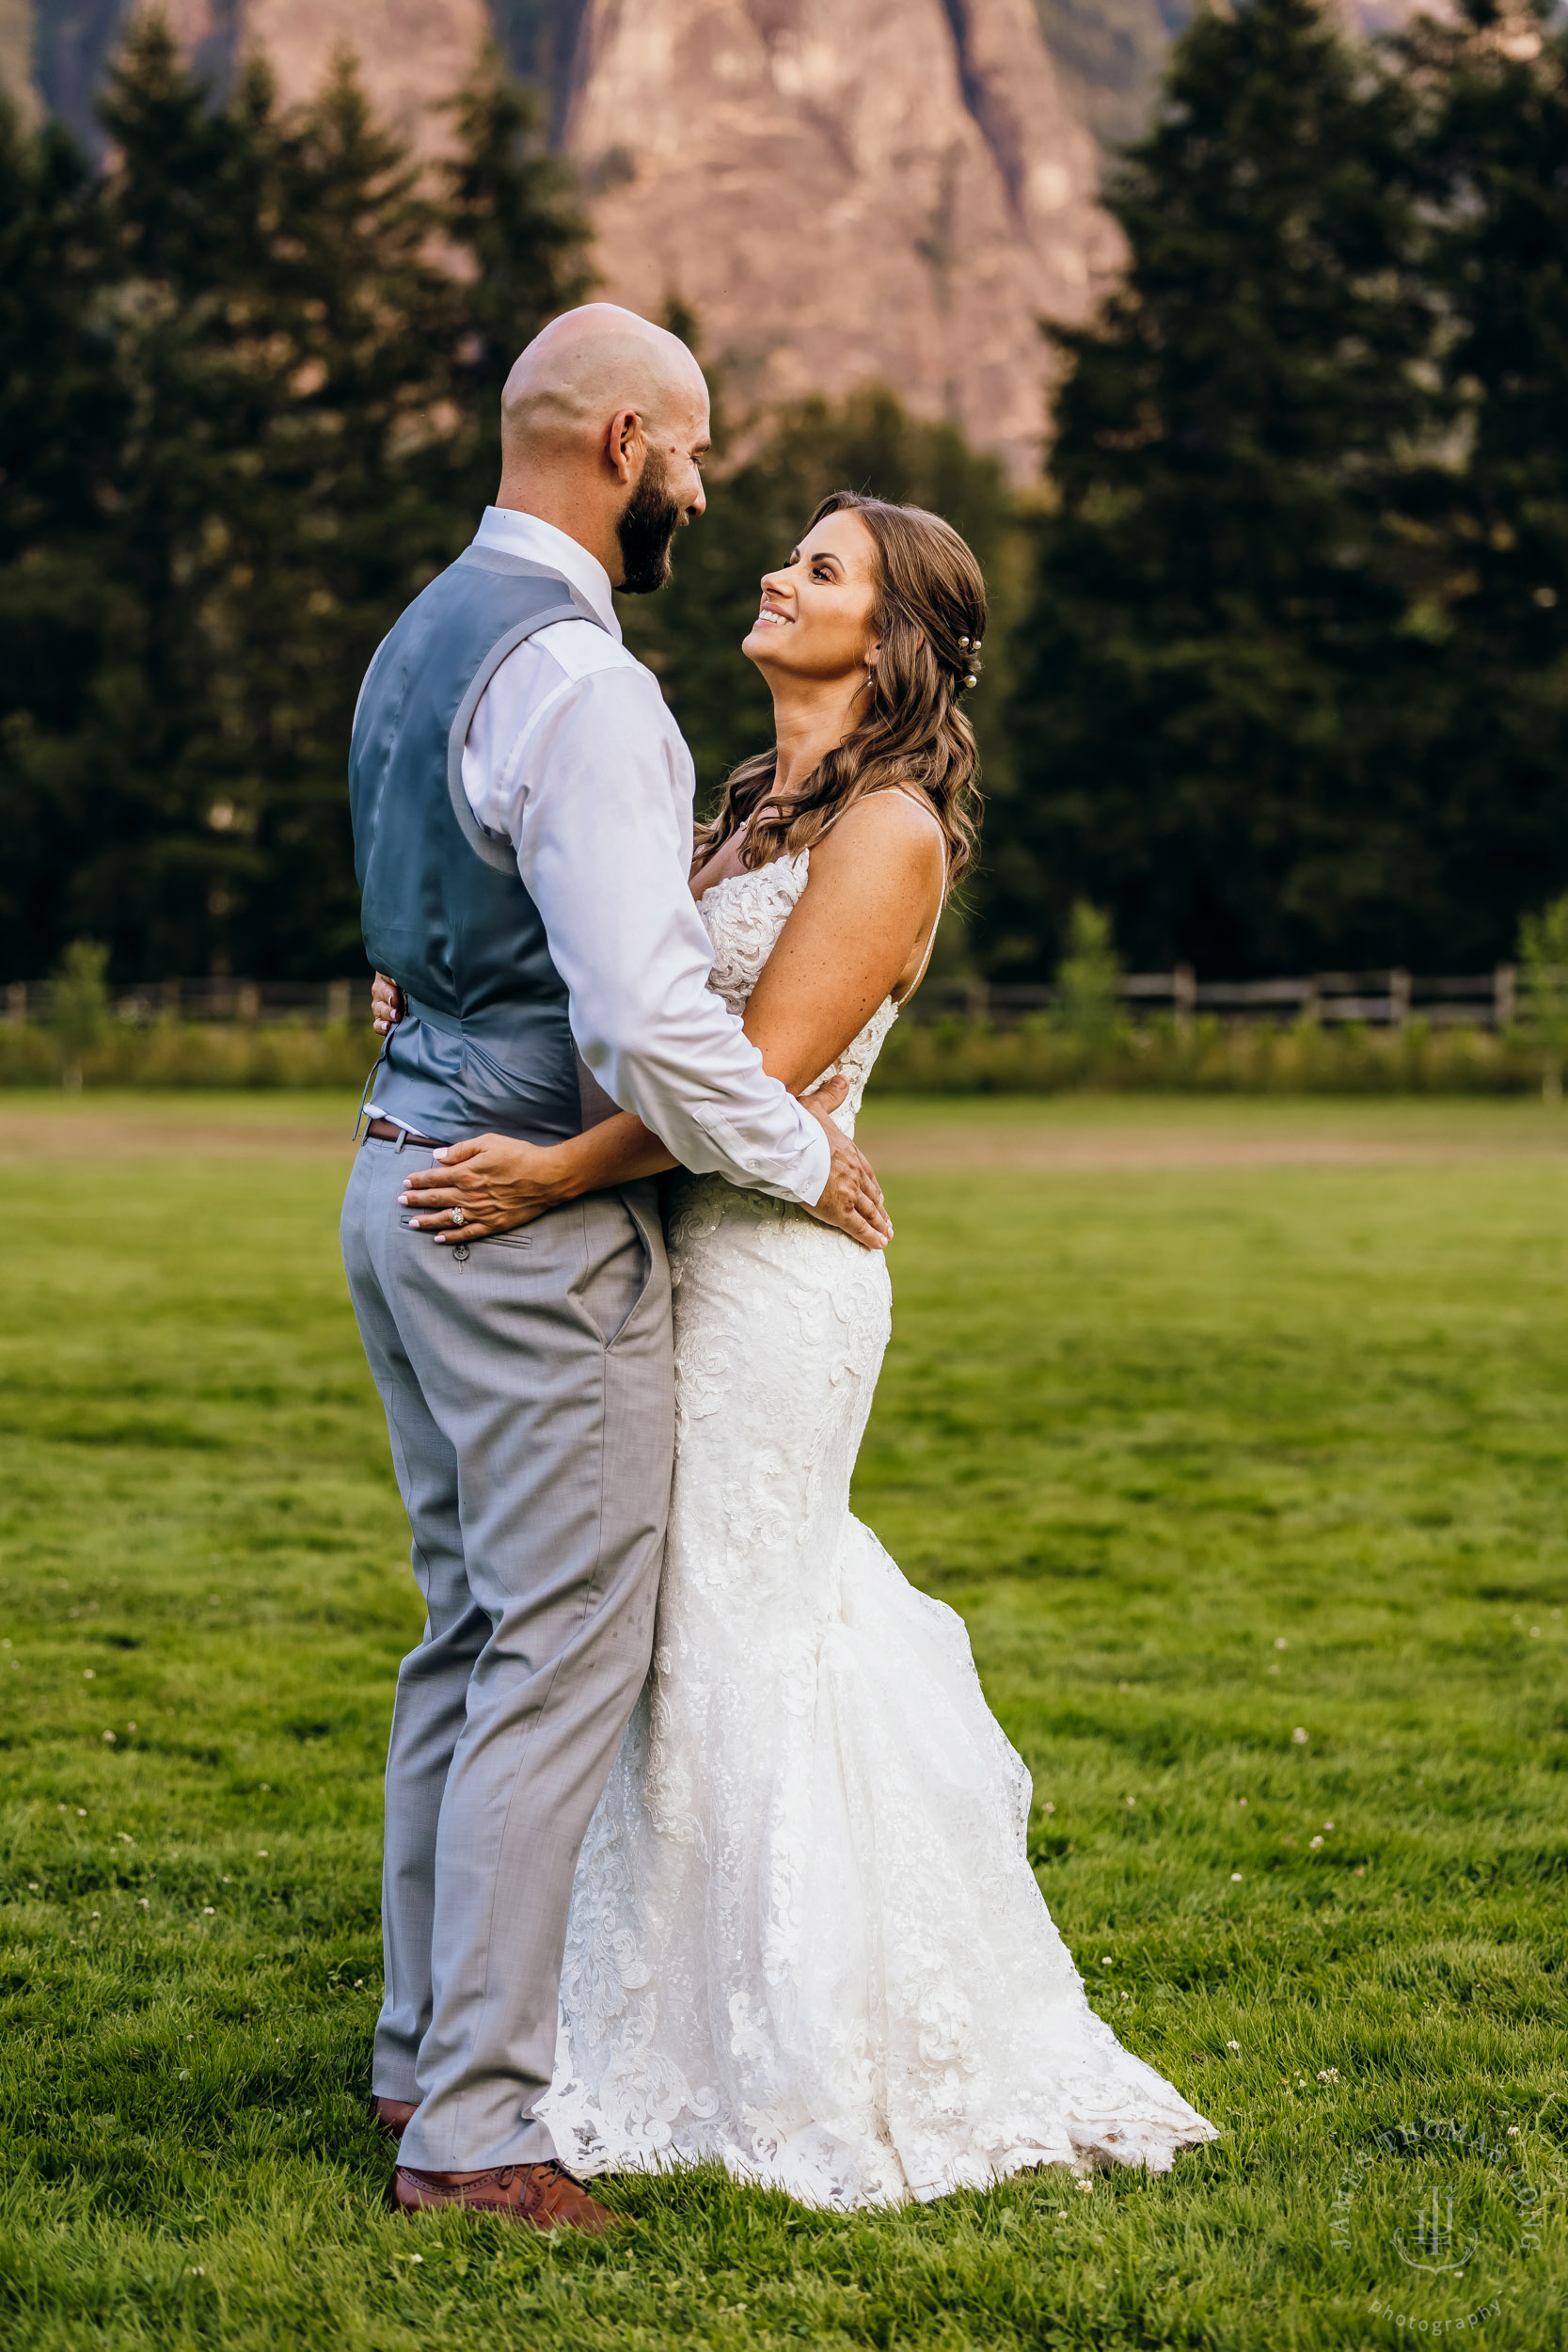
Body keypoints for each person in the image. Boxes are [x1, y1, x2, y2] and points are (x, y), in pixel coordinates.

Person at [380, 489, 1219, 2207]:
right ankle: (630, 2013)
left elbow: (749, 1082)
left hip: (773, 1273)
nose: (776, 574)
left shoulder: (890, 829)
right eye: (789, 554)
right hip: (676, 1246)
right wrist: (443, 991)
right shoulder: (738, 804)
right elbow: (627, 996)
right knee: (664, 1638)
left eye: (822, 570)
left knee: (742, 1624)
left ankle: (796, 2027)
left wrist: (551, 1170)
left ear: (893, 639)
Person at [340, 304, 892, 2238]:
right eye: (699, 450)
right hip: (528, 1223)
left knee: (470, 1632)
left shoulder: (423, 637)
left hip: (396, 1176)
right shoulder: (586, 683)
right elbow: (652, 1023)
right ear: (625, 442)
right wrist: (793, 1151)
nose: (710, 487)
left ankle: (419, 2050)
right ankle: (476, 2131)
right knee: (558, 1653)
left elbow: (419, 931)